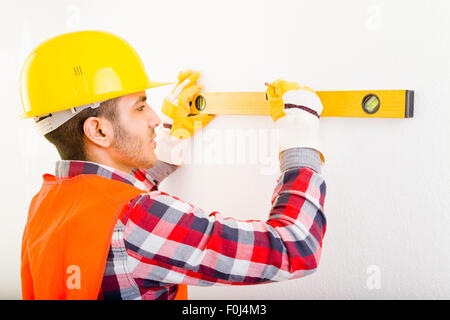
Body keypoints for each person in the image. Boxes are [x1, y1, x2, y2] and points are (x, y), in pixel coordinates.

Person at [19, 30, 327, 300]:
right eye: (140, 107)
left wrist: (168, 138)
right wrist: (299, 139)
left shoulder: (49, 203)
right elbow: (295, 248)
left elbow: (109, 205)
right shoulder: (137, 219)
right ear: (99, 131)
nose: (155, 118)